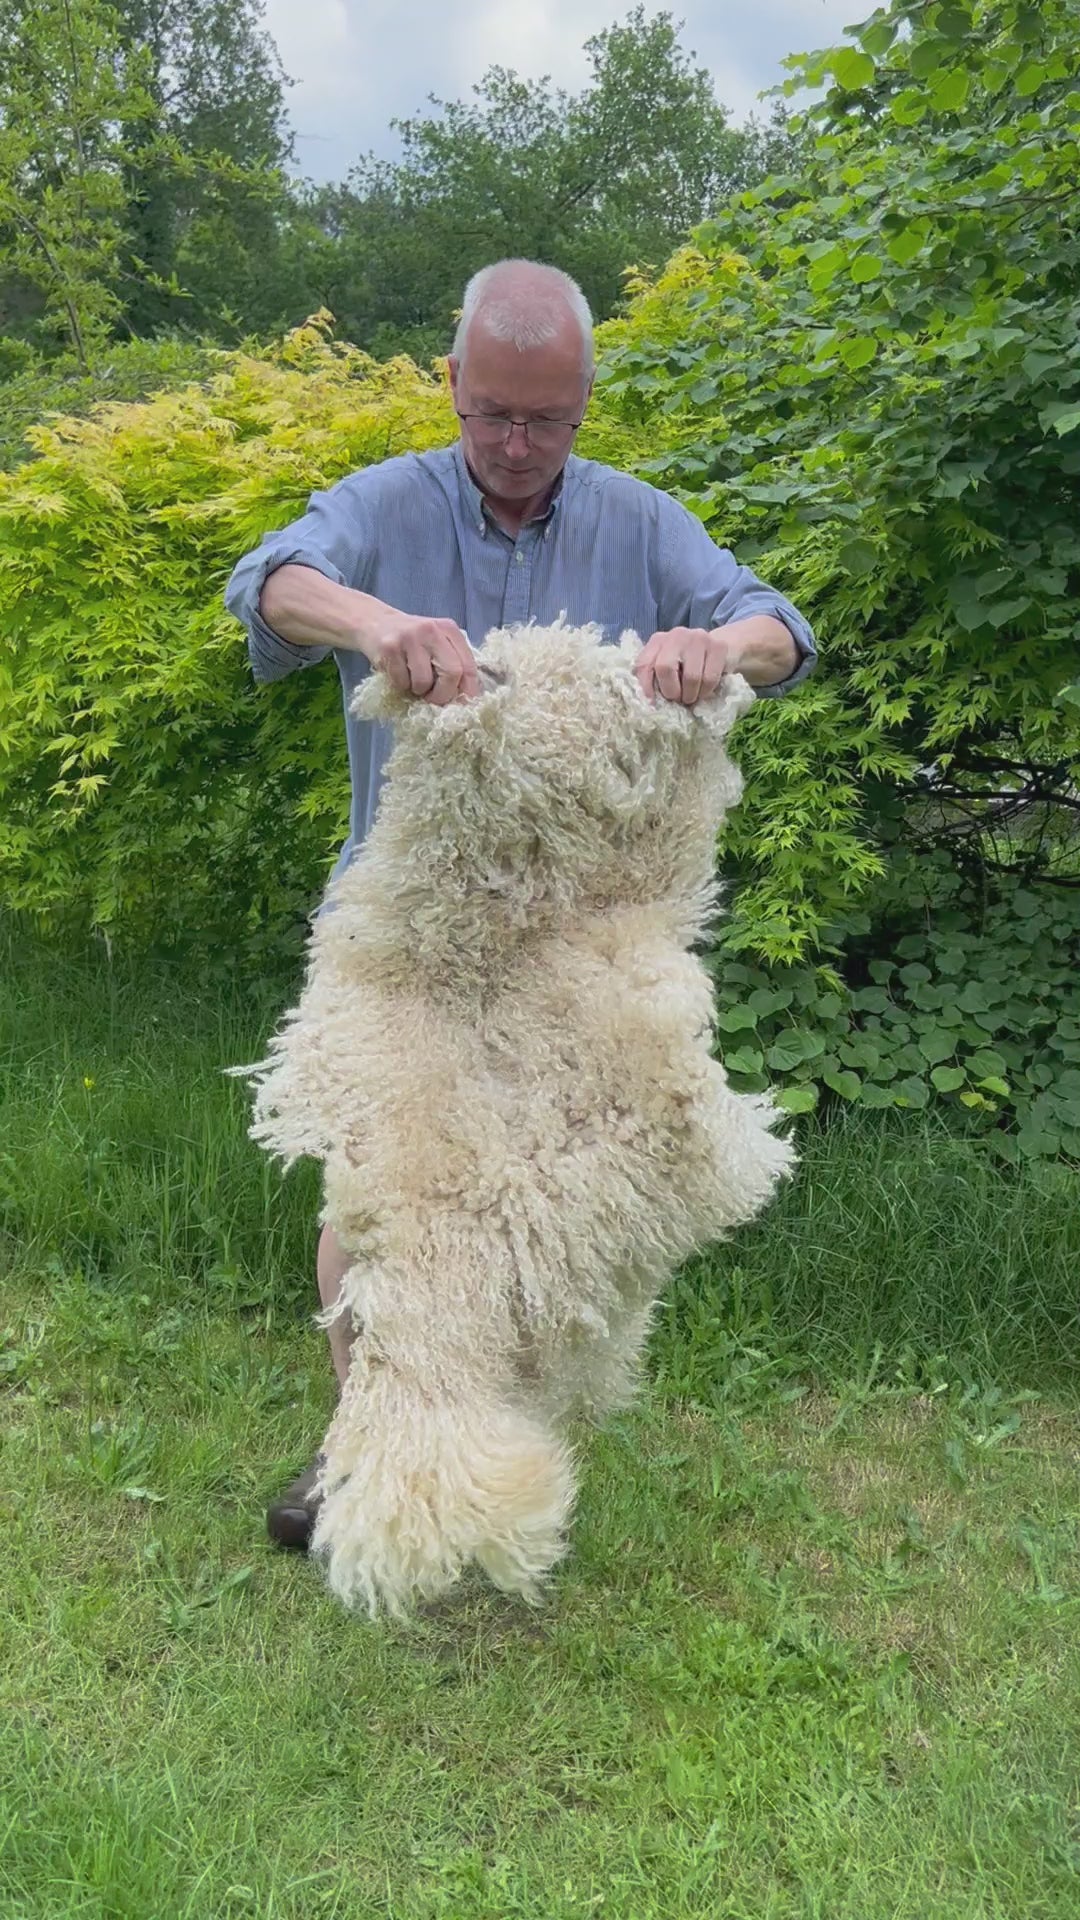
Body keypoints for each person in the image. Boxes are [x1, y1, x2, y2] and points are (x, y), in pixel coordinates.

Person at [224, 257, 817, 1551]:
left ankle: (477, 1428)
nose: (515, 443)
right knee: (377, 1206)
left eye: (545, 418)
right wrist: (376, 624)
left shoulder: (639, 523)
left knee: (547, 1209)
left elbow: (777, 625)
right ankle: (364, 1455)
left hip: (581, 948)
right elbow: (266, 581)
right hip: (413, 945)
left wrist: (717, 650)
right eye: (491, 411)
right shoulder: (388, 505)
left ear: (586, 403)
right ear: (451, 383)